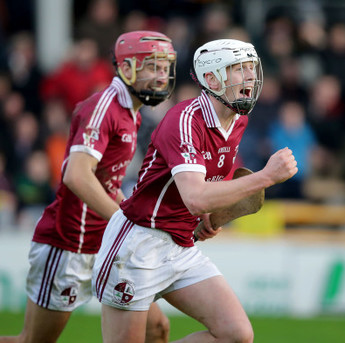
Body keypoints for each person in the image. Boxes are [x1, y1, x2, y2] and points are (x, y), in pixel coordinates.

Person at [0, 30, 177, 343]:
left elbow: (105, 183)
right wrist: (124, 222)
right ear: (126, 69)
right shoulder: (103, 107)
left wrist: (133, 218)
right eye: (153, 66)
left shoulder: (131, 113)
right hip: (70, 243)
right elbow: (76, 175)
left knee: (157, 328)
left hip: (105, 243)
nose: (162, 75)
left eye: (165, 66)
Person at [92, 39, 298, 342]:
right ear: (212, 79)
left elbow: (209, 182)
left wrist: (207, 218)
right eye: (240, 70)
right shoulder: (185, 120)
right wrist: (266, 176)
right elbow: (196, 196)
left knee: (235, 334)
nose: (251, 77)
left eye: (252, 69)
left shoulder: (238, 119)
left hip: (181, 245)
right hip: (138, 245)